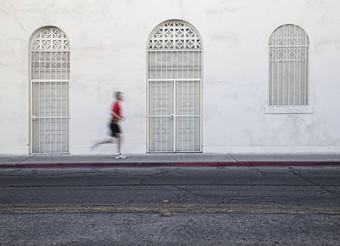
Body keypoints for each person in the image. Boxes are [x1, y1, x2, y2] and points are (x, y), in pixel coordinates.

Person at [91, 91, 126, 159]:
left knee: (118, 138)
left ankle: (118, 153)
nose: (122, 97)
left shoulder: (117, 104)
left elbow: (115, 113)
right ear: (118, 96)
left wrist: (120, 117)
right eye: (121, 95)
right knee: (117, 139)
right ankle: (117, 153)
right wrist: (119, 117)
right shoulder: (116, 103)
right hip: (113, 123)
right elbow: (112, 112)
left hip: (115, 123)